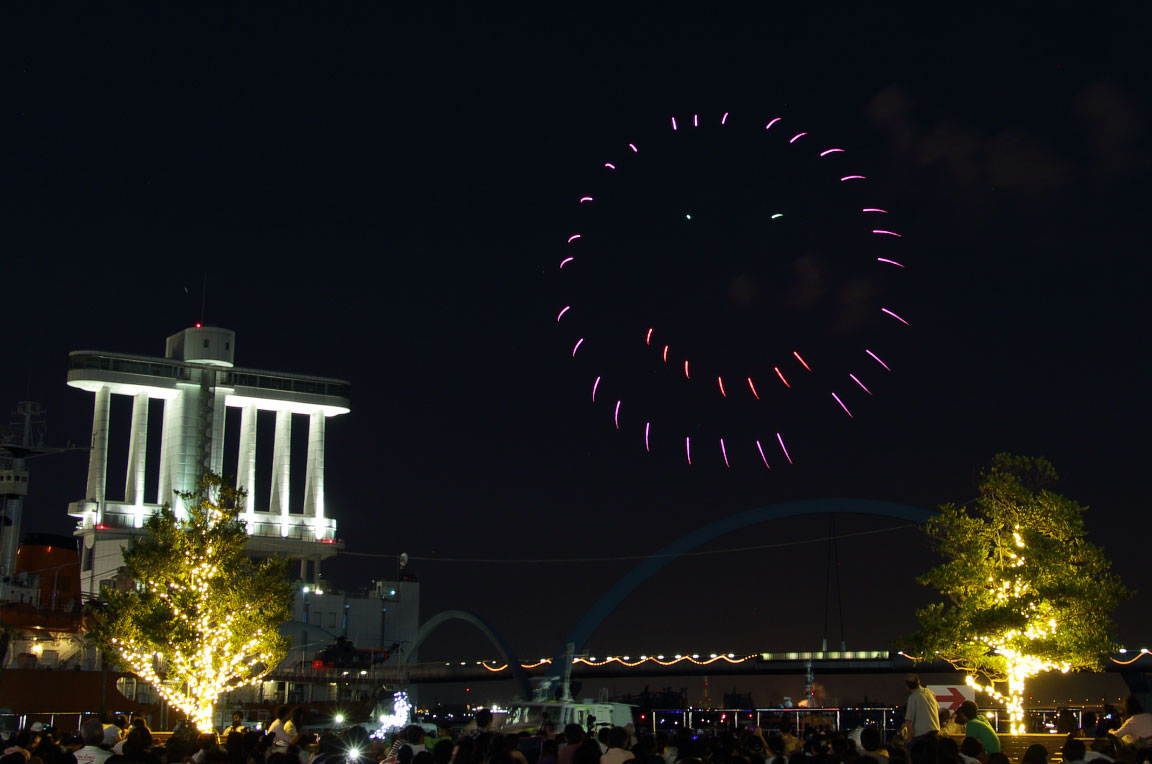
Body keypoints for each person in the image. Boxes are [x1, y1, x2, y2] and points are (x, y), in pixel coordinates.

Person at [902, 675, 941, 741]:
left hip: (921, 734)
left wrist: (909, 739)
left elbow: (909, 721)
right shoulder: (929, 692)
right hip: (935, 730)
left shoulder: (913, 697)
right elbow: (937, 709)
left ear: (907, 687)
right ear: (918, 682)